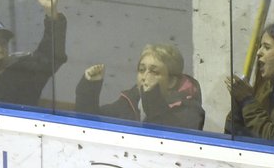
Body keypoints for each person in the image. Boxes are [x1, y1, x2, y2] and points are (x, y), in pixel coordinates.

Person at [76, 43, 205, 130]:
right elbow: (92, 123)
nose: (144, 76)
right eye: (141, 70)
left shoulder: (190, 111)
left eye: (154, 72)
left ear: (171, 81)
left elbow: (163, 137)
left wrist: (152, 97)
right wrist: (89, 87)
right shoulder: (130, 101)